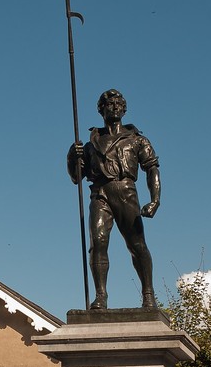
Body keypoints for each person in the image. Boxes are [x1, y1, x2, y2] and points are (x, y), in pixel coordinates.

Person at [67, 88, 161, 310]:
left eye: (119, 103)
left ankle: (148, 294)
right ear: (101, 110)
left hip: (126, 191)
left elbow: (152, 169)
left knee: (136, 245)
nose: (115, 107)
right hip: (100, 193)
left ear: (125, 109)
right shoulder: (90, 145)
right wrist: (72, 156)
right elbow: (76, 178)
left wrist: (155, 199)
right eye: (109, 104)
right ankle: (101, 296)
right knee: (98, 243)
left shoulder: (137, 140)